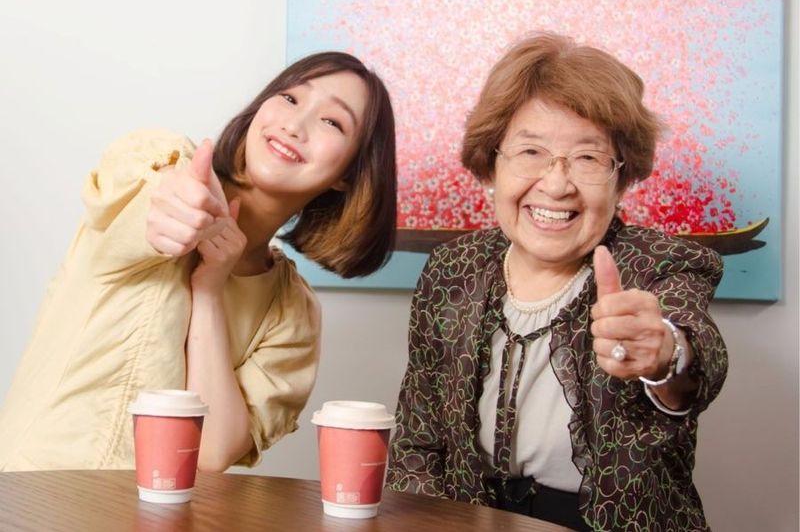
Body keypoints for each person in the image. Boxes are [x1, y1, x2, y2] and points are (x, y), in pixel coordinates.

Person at [386, 33, 727, 531]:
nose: (556, 183)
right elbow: (418, 441)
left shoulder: (660, 264)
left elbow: (698, 356)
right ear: (492, 165)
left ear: (621, 178)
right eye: (530, 151)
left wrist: (666, 354)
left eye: (588, 158)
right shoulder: (452, 269)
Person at [0, 51, 397, 472]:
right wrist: (172, 208)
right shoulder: (162, 166)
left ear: (349, 174)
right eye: (290, 98)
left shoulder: (292, 315)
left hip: (152, 509)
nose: (294, 125)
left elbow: (211, 454)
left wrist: (209, 292)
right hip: (31, 491)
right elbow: (144, 213)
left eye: (332, 122)